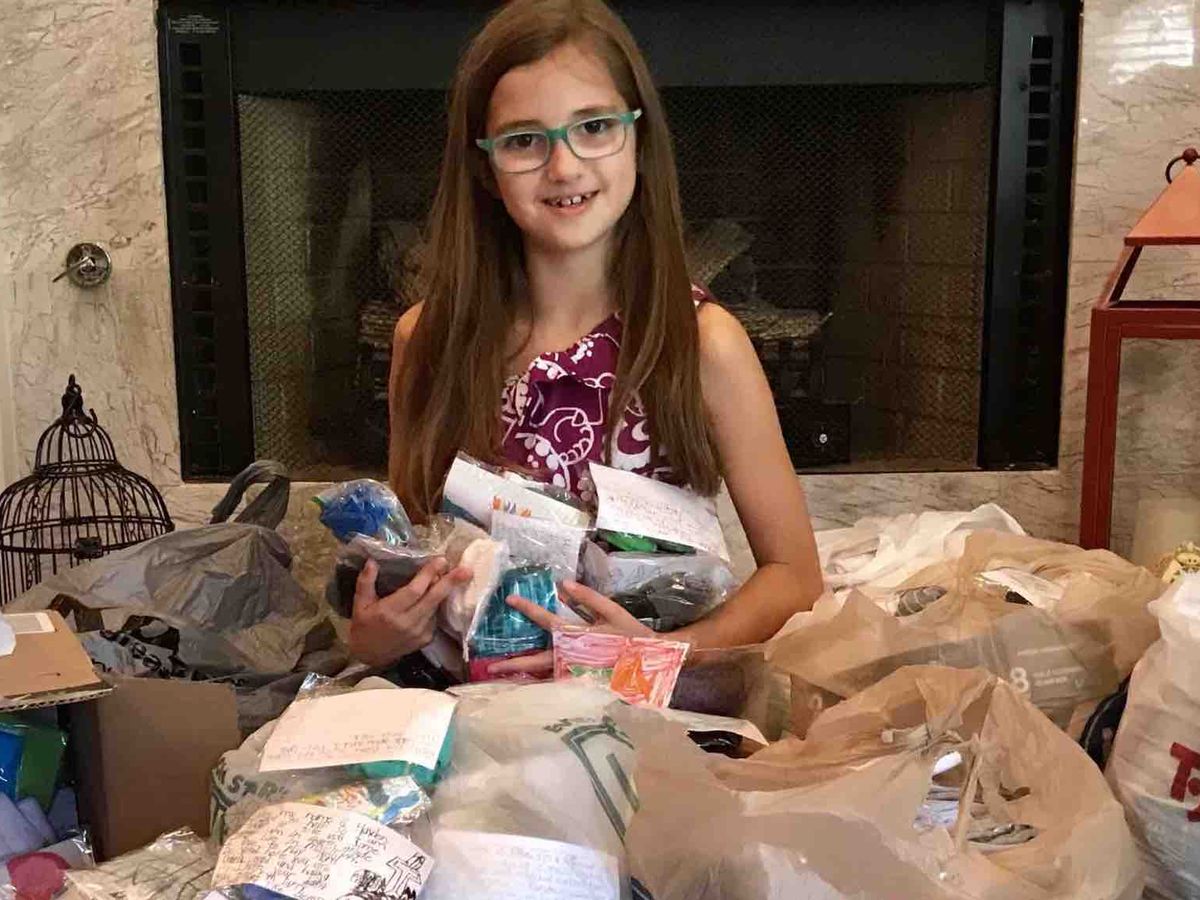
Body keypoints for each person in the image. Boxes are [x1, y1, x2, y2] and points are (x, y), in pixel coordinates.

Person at [350, 0, 823, 674]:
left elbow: (795, 578)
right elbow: (413, 554)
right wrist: (374, 638)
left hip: (633, 706)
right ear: (484, 168)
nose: (564, 167)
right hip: (461, 703)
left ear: (638, 138)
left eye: (594, 127)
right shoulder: (425, 340)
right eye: (523, 140)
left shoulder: (702, 345)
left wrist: (657, 655)